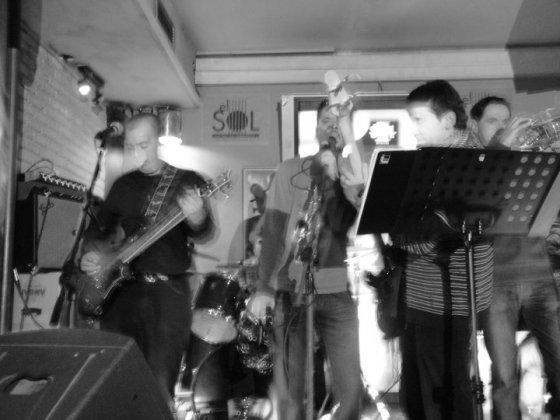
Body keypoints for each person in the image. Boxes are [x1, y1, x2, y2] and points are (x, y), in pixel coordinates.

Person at [79, 113, 215, 408]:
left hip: (168, 295)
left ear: (157, 141)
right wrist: (91, 254)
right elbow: (99, 231)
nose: (136, 153)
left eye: (143, 145)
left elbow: (205, 231)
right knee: (116, 380)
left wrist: (197, 216)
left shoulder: (186, 181)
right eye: (130, 146)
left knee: (159, 386)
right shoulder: (123, 185)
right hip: (121, 293)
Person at [246, 99, 363, 420]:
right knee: (291, 394)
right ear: (315, 129)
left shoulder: (353, 174)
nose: (332, 127)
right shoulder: (290, 170)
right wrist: (264, 287)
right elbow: (273, 231)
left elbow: (344, 221)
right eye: (326, 120)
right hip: (291, 291)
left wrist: (335, 177)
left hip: (336, 292)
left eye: (339, 122)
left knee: (351, 391)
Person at [394, 80, 494, 420]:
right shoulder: (471, 157)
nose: (414, 129)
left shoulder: (453, 166)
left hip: (443, 300)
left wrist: (397, 225)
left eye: (419, 120)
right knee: (430, 394)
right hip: (441, 297)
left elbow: (418, 239)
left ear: (448, 120)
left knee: (440, 398)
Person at [471, 96, 560, 420]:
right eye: (492, 120)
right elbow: (474, 204)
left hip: (538, 274)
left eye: (506, 120)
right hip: (495, 280)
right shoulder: (472, 165)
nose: (502, 127)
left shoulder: (529, 160)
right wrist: (501, 148)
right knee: (504, 377)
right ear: (475, 125)